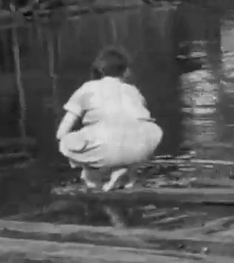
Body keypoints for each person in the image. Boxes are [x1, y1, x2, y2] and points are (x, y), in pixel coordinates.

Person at [56, 46, 163, 191]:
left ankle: (93, 179)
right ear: (125, 70)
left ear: (99, 69)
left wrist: (80, 156)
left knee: (67, 141)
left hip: (108, 143)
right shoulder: (133, 90)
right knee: (126, 135)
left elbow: (62, 132)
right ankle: (127, 172)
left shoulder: (88, 87)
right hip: (144, 144)